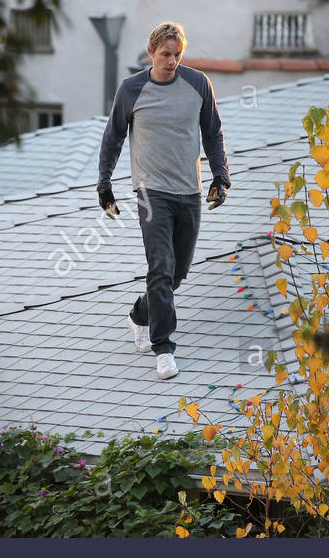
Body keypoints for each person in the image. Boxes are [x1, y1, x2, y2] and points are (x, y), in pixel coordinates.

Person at [96, 22, 230, 379]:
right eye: (165, 55)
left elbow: (213, 132)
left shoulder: (198, 83)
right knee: (160, 266)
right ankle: (164, 348)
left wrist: (221, 174)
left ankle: (140, 315)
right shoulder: (131, 89)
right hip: (151, 191)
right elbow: (113, 139)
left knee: (177, 272)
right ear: (151, 53)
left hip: (190, 189)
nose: (172, 61)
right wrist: (104, 185)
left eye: (177, 55)